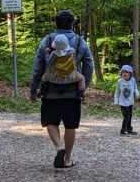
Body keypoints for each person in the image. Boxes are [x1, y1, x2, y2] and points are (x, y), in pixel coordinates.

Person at [30, 9, 94, 169]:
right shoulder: (80, 42)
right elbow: (89, 65)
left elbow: (38, 66)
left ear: (56, 22)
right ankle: (67, 159)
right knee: (71, 125)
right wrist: (83, 87)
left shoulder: (47, 40)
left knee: (50, 122)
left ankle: (59, 148)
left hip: (50, 90)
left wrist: (34, 88)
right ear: (72, 24)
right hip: (73, 91)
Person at [113, 64, 140, 135]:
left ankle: (129, 129)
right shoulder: (119, 81)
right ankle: (123, 130)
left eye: (127, 72)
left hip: (130, 101)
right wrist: (116, 101)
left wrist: (137, 93)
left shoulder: (133, 80)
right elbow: (117, 92)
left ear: (130, 73)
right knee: (126, 116)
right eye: (123, 72)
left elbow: (135, 88)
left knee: (130, 115)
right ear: (121, 73)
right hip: (122, 102)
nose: (125, 73)